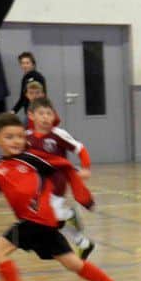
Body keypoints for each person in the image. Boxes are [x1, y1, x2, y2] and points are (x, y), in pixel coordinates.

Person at [0, 112, 135, 281]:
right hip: (38, 223)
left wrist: (82, 193)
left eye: (19, 136)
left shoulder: (33, 158)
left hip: (37, 219)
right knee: (72, 263)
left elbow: (64, 166)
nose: (16, 141)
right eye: (9, 137)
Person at [25, 97, 96, 258]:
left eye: (49, 113)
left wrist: (85, 168)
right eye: (41, 113)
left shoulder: (58, 135)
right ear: (31, 115)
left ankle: (68, 217)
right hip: (37, 186)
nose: (45, 117)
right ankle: (82, 242)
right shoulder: (26, 137)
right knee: (52, 219)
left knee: (49, 217)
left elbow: (80, 149)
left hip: (56, 184)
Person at [12, 52, 47, 119]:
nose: (25, 65)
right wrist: (13, 111)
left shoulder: (37, 77)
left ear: (33, 64)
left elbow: (41, 97)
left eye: (27, 63)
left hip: (36, 112)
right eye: (22, 63)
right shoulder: (25, 78)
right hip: (29, 112)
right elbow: (22, 97)